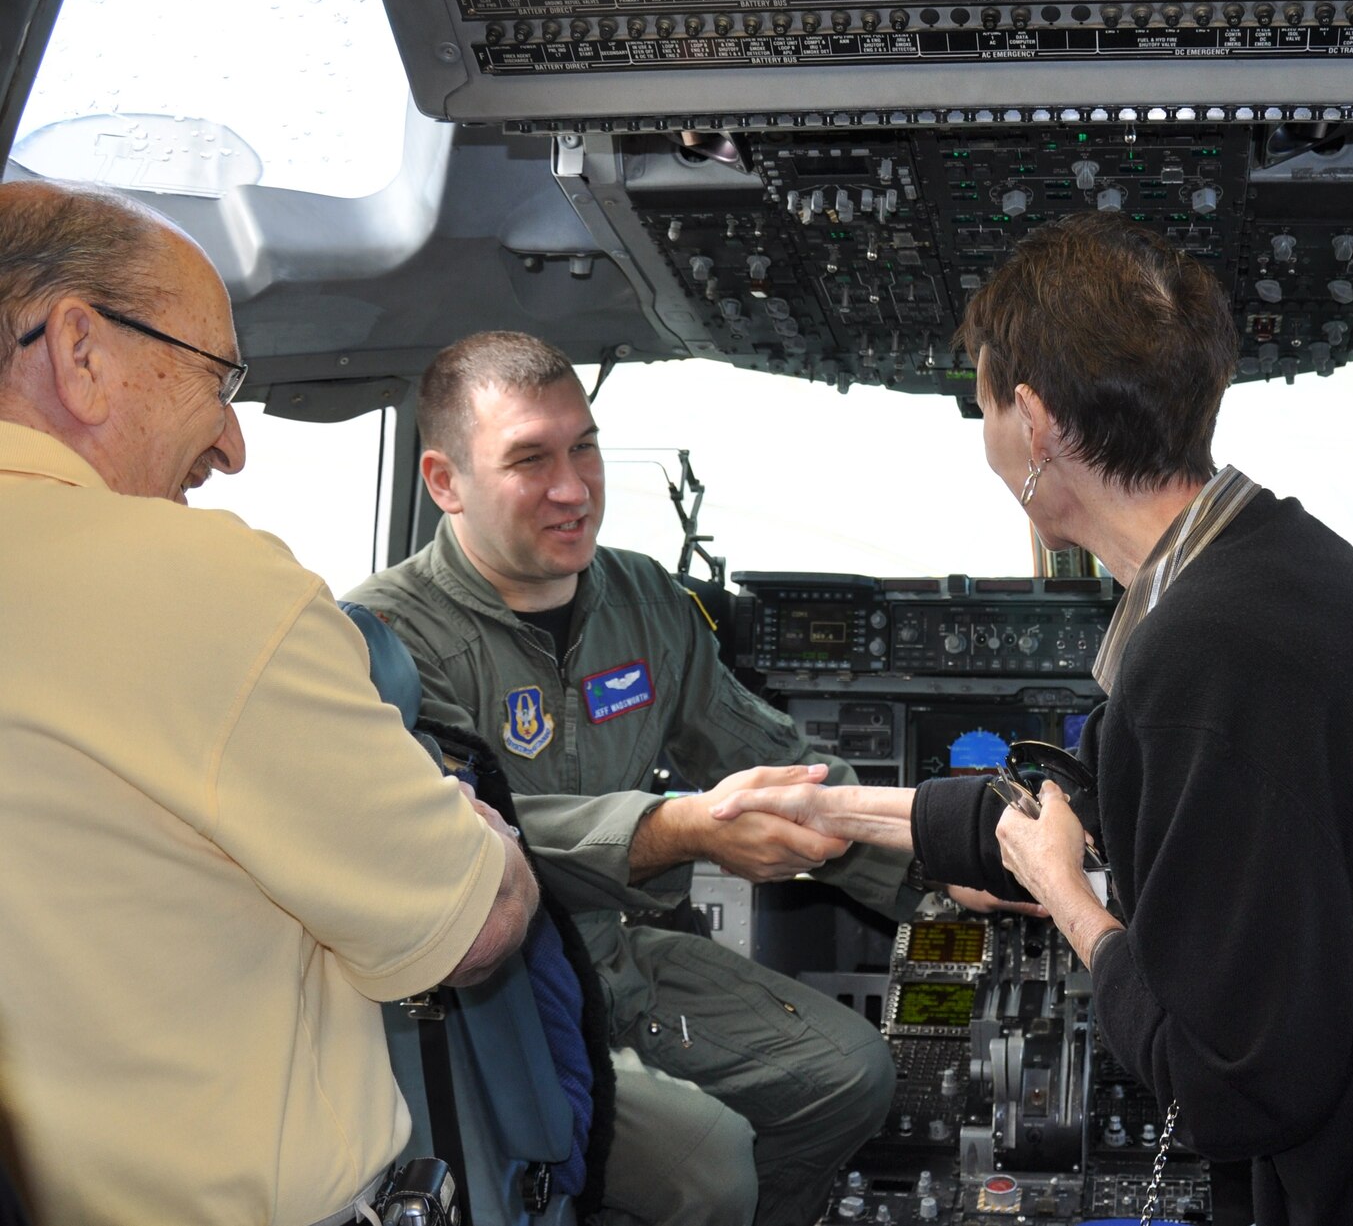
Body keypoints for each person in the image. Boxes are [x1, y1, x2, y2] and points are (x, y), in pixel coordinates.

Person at [710, 210, 1353, 1225]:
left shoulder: (1210, 654)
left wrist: (1077, 910)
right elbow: (1100, 808)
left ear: (1034, 425)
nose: (983, 428)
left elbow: (1232, 1085)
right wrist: (837, 810)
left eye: (980, 402)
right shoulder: (1266, 564)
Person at [349, 332, 999, 1226]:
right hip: (489, 996)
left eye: (584, 446)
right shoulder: (386, 638)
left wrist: (938, 853)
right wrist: (681, 829)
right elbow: (469, 837)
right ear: (443, 481)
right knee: (711, 1168)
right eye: (529, 460)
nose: (574, 487)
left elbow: (766, 758)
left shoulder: (644, 600)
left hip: (622, 956)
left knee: (848, 1074)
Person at [0, 179, 540, 1225]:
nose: (232, 442)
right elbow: (477, 920)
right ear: (78, 350)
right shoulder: (198, 587)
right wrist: (481, 830)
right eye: (217, 376)